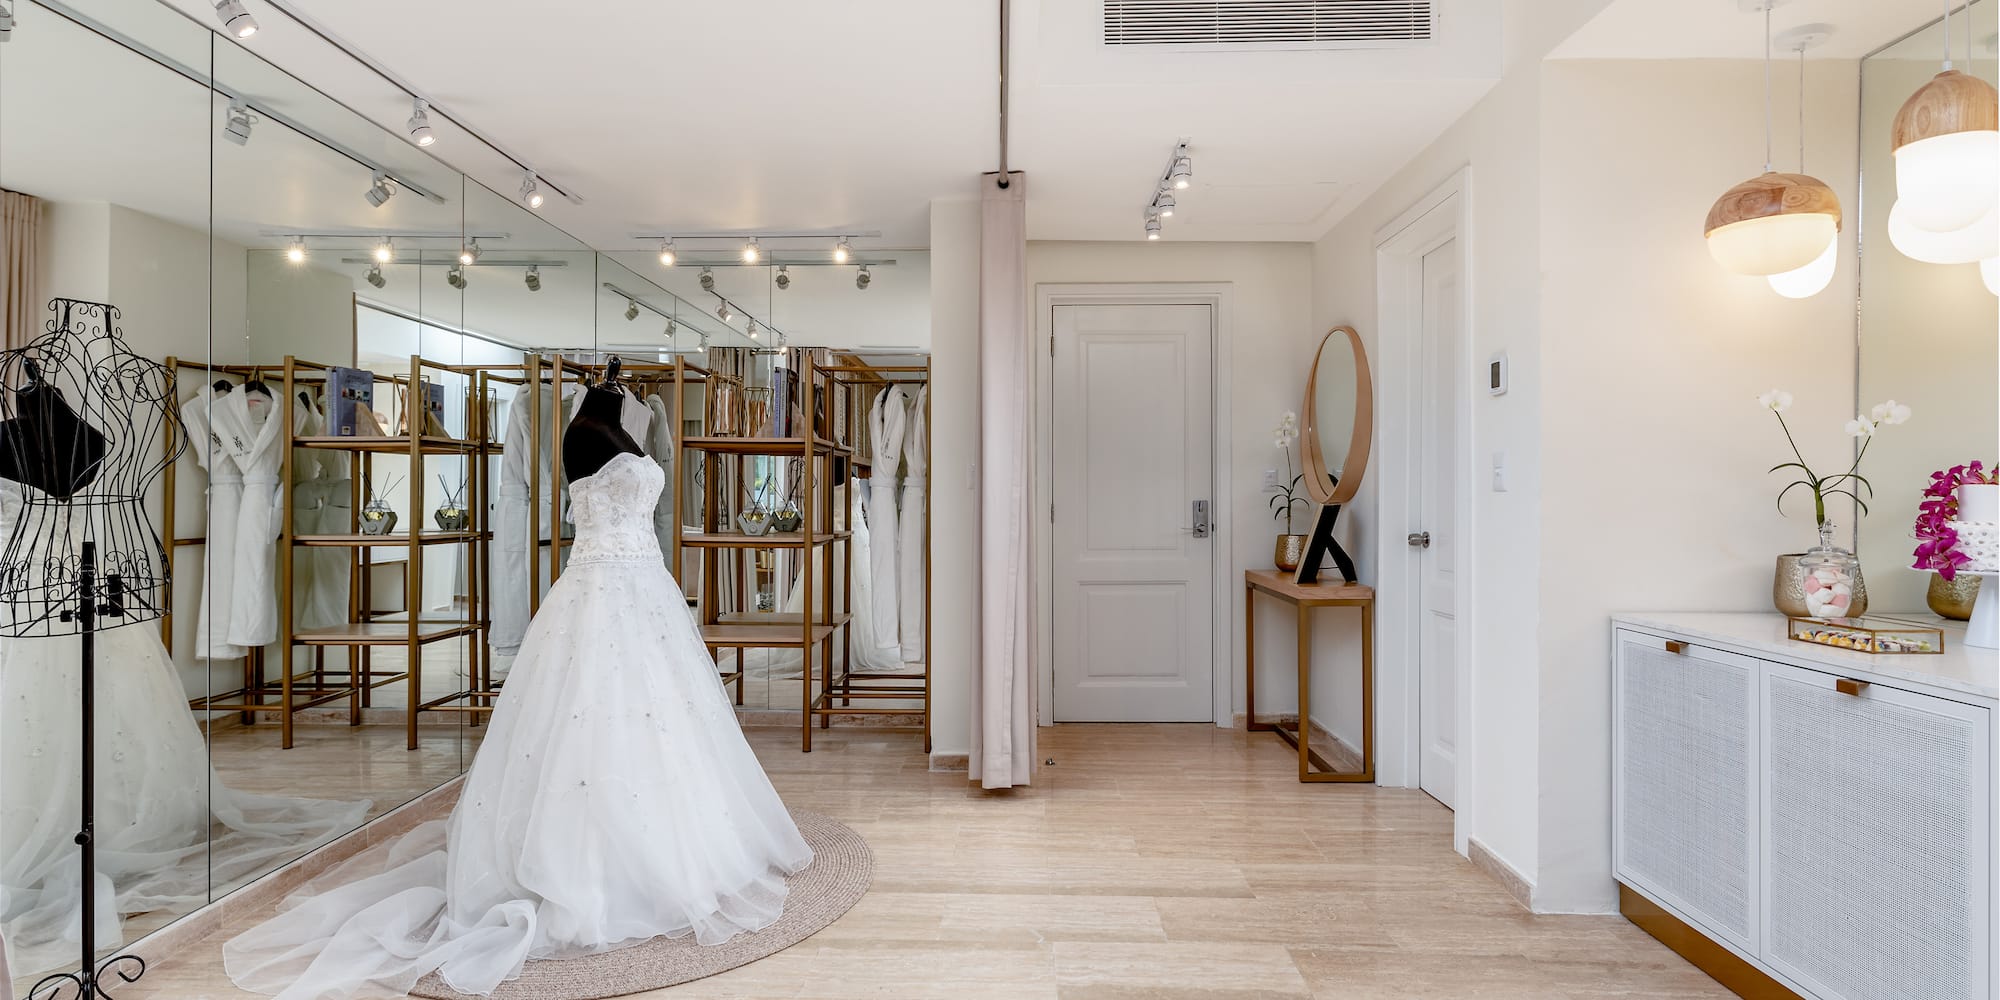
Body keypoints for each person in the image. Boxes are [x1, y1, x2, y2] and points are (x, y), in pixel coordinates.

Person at [224, 366, 814, 999]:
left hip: (647, 592)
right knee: (590, 721)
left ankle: (667, 845)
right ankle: (592, 864)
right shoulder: (584, 430)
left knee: (661, 723)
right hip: (598, 593)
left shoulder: (615, 421)